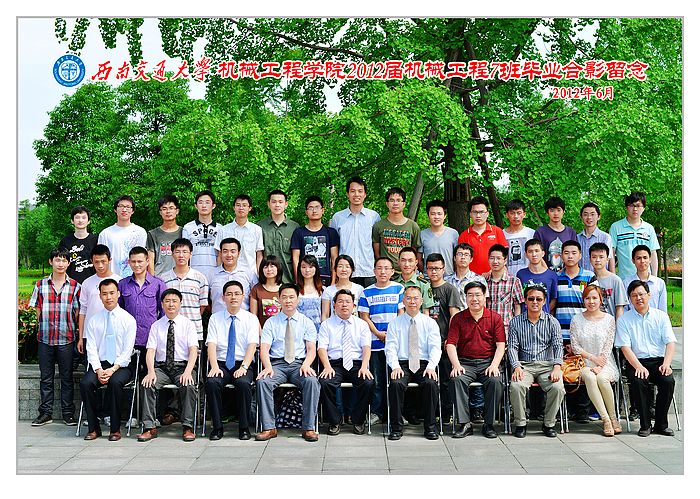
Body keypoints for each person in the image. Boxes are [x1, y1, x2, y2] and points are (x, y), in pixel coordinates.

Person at [255, 283, 321, 442]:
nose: (288, 301)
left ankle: (309, 428)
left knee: (312, 381)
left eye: (292, 297)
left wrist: (306, 364)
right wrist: (267, 367)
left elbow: (311, 349)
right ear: (278, 300)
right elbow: (264, 348)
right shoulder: (271, 322)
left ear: (298, 300)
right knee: (263, 382)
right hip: (277, 365)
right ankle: (269, 427)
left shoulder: (306, 322)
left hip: (299, 364)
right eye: (284, 297)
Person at [615, 280, 677, 437]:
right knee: (638, 381)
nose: (638, 298)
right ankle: (645, 425)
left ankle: (661, 424)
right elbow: (625, 347)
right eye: (634, 295)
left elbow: (670, 343)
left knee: (668, 381)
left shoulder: (661, 316)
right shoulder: (624, 320)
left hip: (659, 361)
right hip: (636, 361)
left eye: (641, 294)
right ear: (629, 298)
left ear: (649, 295)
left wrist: (667, 364)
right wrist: (638, 366)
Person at [137, 289, 199, 442]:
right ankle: (149, 427)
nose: (171, 304)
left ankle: (188, 426)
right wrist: (151, 372)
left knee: (189, 385)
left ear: (180, 303)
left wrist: (188, 371)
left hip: (182, 367)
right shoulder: (156, 326)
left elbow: (193, 350)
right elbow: (150, 351)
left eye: (174, 301)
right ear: (162, 304)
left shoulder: (188, 324)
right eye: (167, 301)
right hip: (161, 368)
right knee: (147, 384)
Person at [446, 281, 506, 438]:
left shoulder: (494, 318)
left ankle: (489, 424)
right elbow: (450, 344)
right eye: (470, 295)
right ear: (465, 298)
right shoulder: (458, 318)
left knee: (495, 381)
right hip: (465, 363)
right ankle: (465, 424)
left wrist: (494, 365)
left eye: (478, 295)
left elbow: (501, 345)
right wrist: (456, 365)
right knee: (456, 380)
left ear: (485, 297)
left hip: (488, 362)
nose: (474, 299)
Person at [80, 279, 137, 441]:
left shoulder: (128, 320)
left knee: (115, 382)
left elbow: (127, 351)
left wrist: (113, 369)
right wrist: (98, 370)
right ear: (100, 296)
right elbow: (91, 349)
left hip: (121, 366)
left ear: (118, 294)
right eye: (104, 294)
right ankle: (94, 428)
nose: (108, 297)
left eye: (112, 293)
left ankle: (115, 429)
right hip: (100, 364)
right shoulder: (94, 320)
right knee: (86, 383)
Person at [29, 248, 81, 426]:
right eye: (57, 260)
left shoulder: (75, 286)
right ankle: (45, 413)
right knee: (46, 378)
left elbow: (77, 313)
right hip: (45, 339)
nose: (60, 264)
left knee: (67, 378)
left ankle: (68, 414)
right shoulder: (40, 285)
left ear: (68, 263)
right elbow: (37, 309)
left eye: (64, 260)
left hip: (66, 339)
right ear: (51, 262)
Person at [508, 283, 566, 438]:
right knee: (516, 386)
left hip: (547, 365)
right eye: (531, 298)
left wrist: (557, 367)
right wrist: (516, 366)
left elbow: (558, 345)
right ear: (525, 300)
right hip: (524, 365)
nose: (535, 302)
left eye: (539, 299)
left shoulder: (552, 322)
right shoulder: (515, 322)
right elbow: (512, 347)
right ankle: (521, 424)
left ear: (544, 301)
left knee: (557, 387)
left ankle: (549, 424)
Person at [205, 280, 260, 440]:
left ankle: (244, 427)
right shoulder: (215, 318)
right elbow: (211, 345)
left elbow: (252, 345)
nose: (233, 297)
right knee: (212, 383)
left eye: (237, 294)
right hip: (221, 364)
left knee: (243, 383)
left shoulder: (251, 319)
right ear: (223, 298)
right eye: (229, 294)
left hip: (242, 363)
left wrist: (244, 367)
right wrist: (214, 367)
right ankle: (217, 427)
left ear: (243, 296)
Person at [385, 286, 442, 440]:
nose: (412, 302)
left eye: (415, 298)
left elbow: (435, 347)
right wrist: (395, 366)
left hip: (424, 364)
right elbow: (390, 348)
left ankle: (430, 427)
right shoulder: (395, 323)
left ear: (421, 301)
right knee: (396, 384)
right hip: (402, 363)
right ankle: (396, 428)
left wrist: (431, 366)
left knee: (431, 384)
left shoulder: (430, 323)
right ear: (403, 301)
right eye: (409, 298)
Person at [317, 289, 375, 435]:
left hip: (356, 364)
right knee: (325, 382)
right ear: (334, 305)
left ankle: (358, 420)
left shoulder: (362, 324)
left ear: (353, 306)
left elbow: (366, 347)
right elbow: (322, 348)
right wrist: (327, 366)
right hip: (334, 364)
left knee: (368, 383)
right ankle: (335, 421)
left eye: (348, 302)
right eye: (340, 302)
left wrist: (364, 366)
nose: (344, 305)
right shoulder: (326, 325)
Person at [358, 257, 405, 425]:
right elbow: (364, 316)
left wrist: (391, 334)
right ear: (374, 271)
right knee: (377, 381)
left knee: (395, 380)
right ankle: (377, 412)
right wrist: (378, 333)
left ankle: (397, 413)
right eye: (379, 268)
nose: (383, 271)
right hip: (374, 343)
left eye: (386, 268)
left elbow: (401, 314)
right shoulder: (366, 292)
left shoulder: (399, 289)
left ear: (392, 271)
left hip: (395, 343)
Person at [569, 285, 621, 437]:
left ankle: (613, 417)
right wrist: (592, 359)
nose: (591, 301)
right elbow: (575, 346)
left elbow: (608, 345)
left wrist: (600, 364)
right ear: (583, 300)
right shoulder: (576, 320)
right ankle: (606, 420)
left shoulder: (609, 319)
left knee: (602, 378)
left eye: (594, 298)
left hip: (606, 362)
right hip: (584, 363)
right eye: (587, 298)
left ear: (600, 300)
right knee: (591, 377)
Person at [118, 246, 167, 373]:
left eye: (140, 261)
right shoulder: (122, 284)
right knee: (129, 375)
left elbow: (163, 312)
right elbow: (119, 311)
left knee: (149, 375)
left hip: (150, 338)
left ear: (147, 261)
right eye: (133, 261)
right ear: (129, 262)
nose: (137, 265)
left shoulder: (158, 284)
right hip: (129, 339)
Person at [424, 253, 461, 417]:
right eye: (430, 268)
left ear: (443, 269)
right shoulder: (424, 288)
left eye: (437, 268)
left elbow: (455, 316)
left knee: (446, 380)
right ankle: (429, 413)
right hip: (426, 343)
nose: (434, 272)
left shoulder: (450, 289)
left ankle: (447, 413)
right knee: (429, 378)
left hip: (444, 341)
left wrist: (450, 339)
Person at [330, 176, 381, 288]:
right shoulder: (338, 218)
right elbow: (334, 247)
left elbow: (377, 244)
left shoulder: (374, 217)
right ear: (347, 194)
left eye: (360, 191)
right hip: (345, 272)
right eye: (353, 191)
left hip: (368, 271)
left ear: (365, 194)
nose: (356, 194)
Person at [160, 238, 209, 340]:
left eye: (185, 252)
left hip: (195, 331)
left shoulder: (200, 278)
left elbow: (202, 306)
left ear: (191, 254)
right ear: (172, 254)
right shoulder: (163, 279)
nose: (181, 255)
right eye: (177, 252)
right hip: (170, 331)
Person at [78, 245, 121, 358]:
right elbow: (83, 310)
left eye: (103, 261)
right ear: (92, 261)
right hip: (90, 334)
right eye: (96, 262)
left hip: (113, 333)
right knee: (91, 365)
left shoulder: (119, 281)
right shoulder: (87, 283)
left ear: (110, 260)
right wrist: (81, 337)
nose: (100, 265)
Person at [291, 196, 340, 287]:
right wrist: (298, 281)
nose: (314, 211)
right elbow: (295, 258)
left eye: (317, 207)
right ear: (306, 212)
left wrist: (333, 281)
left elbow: (334, 258)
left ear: (322, 210)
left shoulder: (331, 232)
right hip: (305, 277)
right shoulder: (299, 232)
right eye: (311, 208)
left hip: (325, 277)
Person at [609, 191, 660, 279]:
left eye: (638, 206)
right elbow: (611, 253)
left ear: (643, 208)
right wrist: (613, 277)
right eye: (632, 205)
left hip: (645, 279)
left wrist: (654, 278)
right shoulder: (616, 227)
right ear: (626, 207)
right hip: (624, 278)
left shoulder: (649, 228)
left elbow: (653, 253)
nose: (635, 209)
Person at [372, 187, 422, 273]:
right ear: (387, 204)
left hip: (406, 273)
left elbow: (414, 252)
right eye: (392, 200)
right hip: (386, 273)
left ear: (404, 204)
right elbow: (377, 253)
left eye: (398, 200)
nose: (395, 203)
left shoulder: (413, 226)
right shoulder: (379, 226)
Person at [554, 240, 597, 340]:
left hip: (584, 331)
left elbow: (595, 303)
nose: (570, 256)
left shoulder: (589, 276)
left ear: (580, 256)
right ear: (561, 256)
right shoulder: (555, 277)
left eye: (574, 253)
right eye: (566, 253)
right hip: (560, 333)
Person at [98, 195, 147, 278]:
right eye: (121, 206)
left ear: (132, 211)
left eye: (128, 207)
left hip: (134, 280)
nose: (124, 209)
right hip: (111, 280)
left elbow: (144, 258)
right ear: (115, 210)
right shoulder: (105, 234)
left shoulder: (140, 232)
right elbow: (100, 258)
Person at [457, 196, 508, 275]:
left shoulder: (497, 231)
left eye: (481, 212)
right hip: (472, 278)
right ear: (470, 214)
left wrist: (492, 272)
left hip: (494, 276)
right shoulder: (464, 235)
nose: (478, 215)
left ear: (487, 213)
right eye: (475, 212)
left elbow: (505, 255)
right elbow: (461, 259)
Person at [215, 194, 264, 276]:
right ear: (234, 208)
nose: (241, 208)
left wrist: (260, 276)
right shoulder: (223, 230)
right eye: (238, 205)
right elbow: (219, 255)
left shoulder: (256, 230)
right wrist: (219, 275)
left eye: (244, 205)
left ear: (250, 208)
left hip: (250, 275)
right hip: (228, 275)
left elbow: (259, 256)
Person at [259, 189, 301, 284]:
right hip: (267, 281)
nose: (277, 205)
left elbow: (297, 257)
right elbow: (258, 256)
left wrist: (298, 281)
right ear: (268, 204)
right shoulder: (260, 227)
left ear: (286, 204)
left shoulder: (295, 227)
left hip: (288, 280)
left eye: (280, 202)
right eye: (274, 202)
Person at [208, 237, 258, 315]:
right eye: (225, 251)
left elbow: (256, 297)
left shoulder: (249, 274)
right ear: (220, 253)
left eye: (233, 251)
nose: (229, 255)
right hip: (218, 319)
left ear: (238, 253)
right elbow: (205, 299)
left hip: (244, 319)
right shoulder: (211, 274)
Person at [484, 244, 524, 332]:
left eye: (498, 258)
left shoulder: (514, 281)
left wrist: (516, 327)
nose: (495, 261)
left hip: (506, 328)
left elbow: (517, 306)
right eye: (492, 258)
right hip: (487, 328)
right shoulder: (484, 281)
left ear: (505, 260)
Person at [181, 190, 221, 276]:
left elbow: (221, 254)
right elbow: (184, 253)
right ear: (196, 206)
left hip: (215, 274)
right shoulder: (188, 228)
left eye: (207, 202)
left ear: (213, 206)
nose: (204, 206)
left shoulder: (221, 229)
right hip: (193, 274)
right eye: (200, 202)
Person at [533, 196, 577, 273]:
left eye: (559, 210)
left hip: (567, 274)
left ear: (563, 212)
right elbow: (537, 253)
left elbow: (575, 253)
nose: (556, 213)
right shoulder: (540, 232)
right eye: (552, 210)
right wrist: (547, 272)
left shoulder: (571, 232)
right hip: (545, 273)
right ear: (547, 213)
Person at [516, 239, 558, 314]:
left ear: (543, 253)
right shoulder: (521, 274)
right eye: (530, 251)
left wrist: (543, 312)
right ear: (526, 254)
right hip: (524, 317)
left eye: (537, 251)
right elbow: (518, 300)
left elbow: (553, 300)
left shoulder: (552, 275)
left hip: (544, 317)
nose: (534, 254)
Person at [59, 205, 98, 284]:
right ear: (72, 221)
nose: (80, 220)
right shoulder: (65, 241)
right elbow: (61, 262)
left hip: (93, 283)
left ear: (89, 221)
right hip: (71, 284)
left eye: (83, 217)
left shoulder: (96, 240)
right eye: (77, 217)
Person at [146, 194, 182, 277]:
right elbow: (150, 260)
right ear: (160, 212)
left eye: (171, 208)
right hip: (160, 277)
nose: (168, 211)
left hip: (179, 277)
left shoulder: (184, 232)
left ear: (177, 211)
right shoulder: (153, 234)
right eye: (164, 209)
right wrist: (152, 281)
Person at [622, 245, 667, 312]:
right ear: (633, 261)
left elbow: (663, 309)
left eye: (645, 258)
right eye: (638, 258)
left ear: (650, 259)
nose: (642, 261)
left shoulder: (659, 283)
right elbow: (624, 308)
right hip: (632, 318)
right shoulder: (626, 283)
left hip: (654, 318)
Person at [589, 242, 627, 319]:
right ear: (590, 259)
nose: (597, 260)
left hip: (610, 323)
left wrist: (617, 325)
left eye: (601, 257)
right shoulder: (588, 278)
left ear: (607, 259)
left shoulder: (615, 280)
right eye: (594, 257)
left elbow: (620, 307)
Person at [420, 200, 459, 276]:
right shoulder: (422, 234)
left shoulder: (453, 233)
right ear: (428, 215)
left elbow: (456, 257)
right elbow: (419, 259)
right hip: (429, 278)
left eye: (439, 214)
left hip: (449, 277)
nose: (436, 217)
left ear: (445, 216)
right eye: (433, 214)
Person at [321, 254, 364, 321]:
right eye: (340, 266)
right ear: (335, 269)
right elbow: (325, 315)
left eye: (347, 267)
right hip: (334, 326)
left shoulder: (359, 289)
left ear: (352, 269)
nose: (344, 270)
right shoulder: (328, 290)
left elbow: (362, 314)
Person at [445, 243, 488, 310]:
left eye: (466, 255)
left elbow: (483, 304)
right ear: (454, 258)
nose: (463, 257)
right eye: (460, 254)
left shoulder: (479, 280)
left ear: (471, 259)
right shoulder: (446, 280)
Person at [393, 246, 435, 313]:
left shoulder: (424, 285)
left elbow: (426, 312)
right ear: (398, 262)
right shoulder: (393, 284)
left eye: (410, 261)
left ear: (416, 262)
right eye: (403, 260)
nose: (406, 264)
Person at [577, 202, 614, 272]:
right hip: (581, 277)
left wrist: (613, 276)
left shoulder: (605, 237)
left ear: (599, 216)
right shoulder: (577, 238)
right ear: (581, 217)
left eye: (592, 214)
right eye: (585, 214)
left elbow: (610, 259)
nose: (589, 217)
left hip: (600, 277)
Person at [503, 199, 535, 277]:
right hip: (507, 277)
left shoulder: (532, 233)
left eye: (519, 213)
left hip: (529, 276)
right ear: (507, 215)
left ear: (524, 214)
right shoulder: (501, 234)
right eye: (512, 213)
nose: (516, 216)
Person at [250, 255, 283, 327]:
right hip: (262, 330)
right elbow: (253, 317)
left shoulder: (284, 289)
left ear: (278, 268)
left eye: (272, 266)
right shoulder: (256, 289)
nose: (269, 269)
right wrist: (260, 331)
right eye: (265, 267)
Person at [296, 255, 324, 331]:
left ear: (316, 268)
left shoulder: (323, 290)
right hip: (299, 330)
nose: (307, 270)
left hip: (318, 330)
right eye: (303, 267)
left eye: (311, 267)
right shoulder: (294, 289)